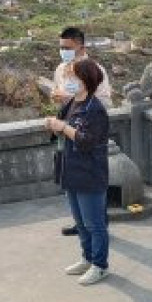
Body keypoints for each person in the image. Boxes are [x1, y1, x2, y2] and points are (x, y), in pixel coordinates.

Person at [45, 58, 110, 286]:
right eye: (67, 76)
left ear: (86, 80)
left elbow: (86, 141)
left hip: (90, 174)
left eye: (72, 76)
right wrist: (54, 125)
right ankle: (87, 257)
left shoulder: (95, 109)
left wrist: (63, 127)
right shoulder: (72, 102)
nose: (68, 80)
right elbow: (62, 129)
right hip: (70, 171)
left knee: (95, 224)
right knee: (80, 223)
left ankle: (100, 265)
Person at [52, 26, 112, 237]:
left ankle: (98, 229)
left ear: (81, 46)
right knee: (74, 182)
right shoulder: (61, 69)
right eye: (61, 47)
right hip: (68, 129)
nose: (63, 51)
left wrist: (71, 99)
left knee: (91, 185)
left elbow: (103, 102)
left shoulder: (95, 70)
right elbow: (60, 95)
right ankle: (81, 224)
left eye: (67, 47)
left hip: (86, 130)